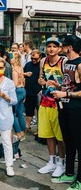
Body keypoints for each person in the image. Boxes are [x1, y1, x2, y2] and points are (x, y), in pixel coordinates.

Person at [52, 35, 81, 190]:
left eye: (62, 46)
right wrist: (59, 86)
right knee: (68, 141)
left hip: (77, 109)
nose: (60, 48)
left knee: (78, 143)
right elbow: (70, 85)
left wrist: (66, 95)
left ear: (69, 47)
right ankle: (69, 173)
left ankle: (80, 180)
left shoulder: (80, 64)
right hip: (65, 109)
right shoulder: (67, 63)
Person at [37, 37, 66, 178]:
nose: (51, 49)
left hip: (59, 103)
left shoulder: (64, 62)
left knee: (60, 135)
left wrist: (58, 85)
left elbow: (70, 85)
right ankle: (51, 161)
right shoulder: (43, 61)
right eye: (49, 46)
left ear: (60, 48)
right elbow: (40, 79)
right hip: (45, 101)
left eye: (55, 46)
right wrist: (41, 82)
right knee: (48, 133)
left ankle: (61, 163)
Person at [23, 50, 41, 133]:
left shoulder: (42, 65)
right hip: (28, 91)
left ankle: (39, 128)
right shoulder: (28, 64)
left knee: (39, 111)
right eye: (32, 58)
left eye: (36, 59)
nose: (33, 60)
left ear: (40, 58)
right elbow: (22, 74)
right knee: (28, 110)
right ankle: (27, 126)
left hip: (38, 91)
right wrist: (25, 74)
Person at [11, 52, 27, 140]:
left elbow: (15, 83)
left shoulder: (14, 70)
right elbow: (24, 81)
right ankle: (23, 131)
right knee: (20, 112)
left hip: (17, 91)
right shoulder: (20, 68)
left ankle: (18, 133)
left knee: (13, 113)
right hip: (23, 90)